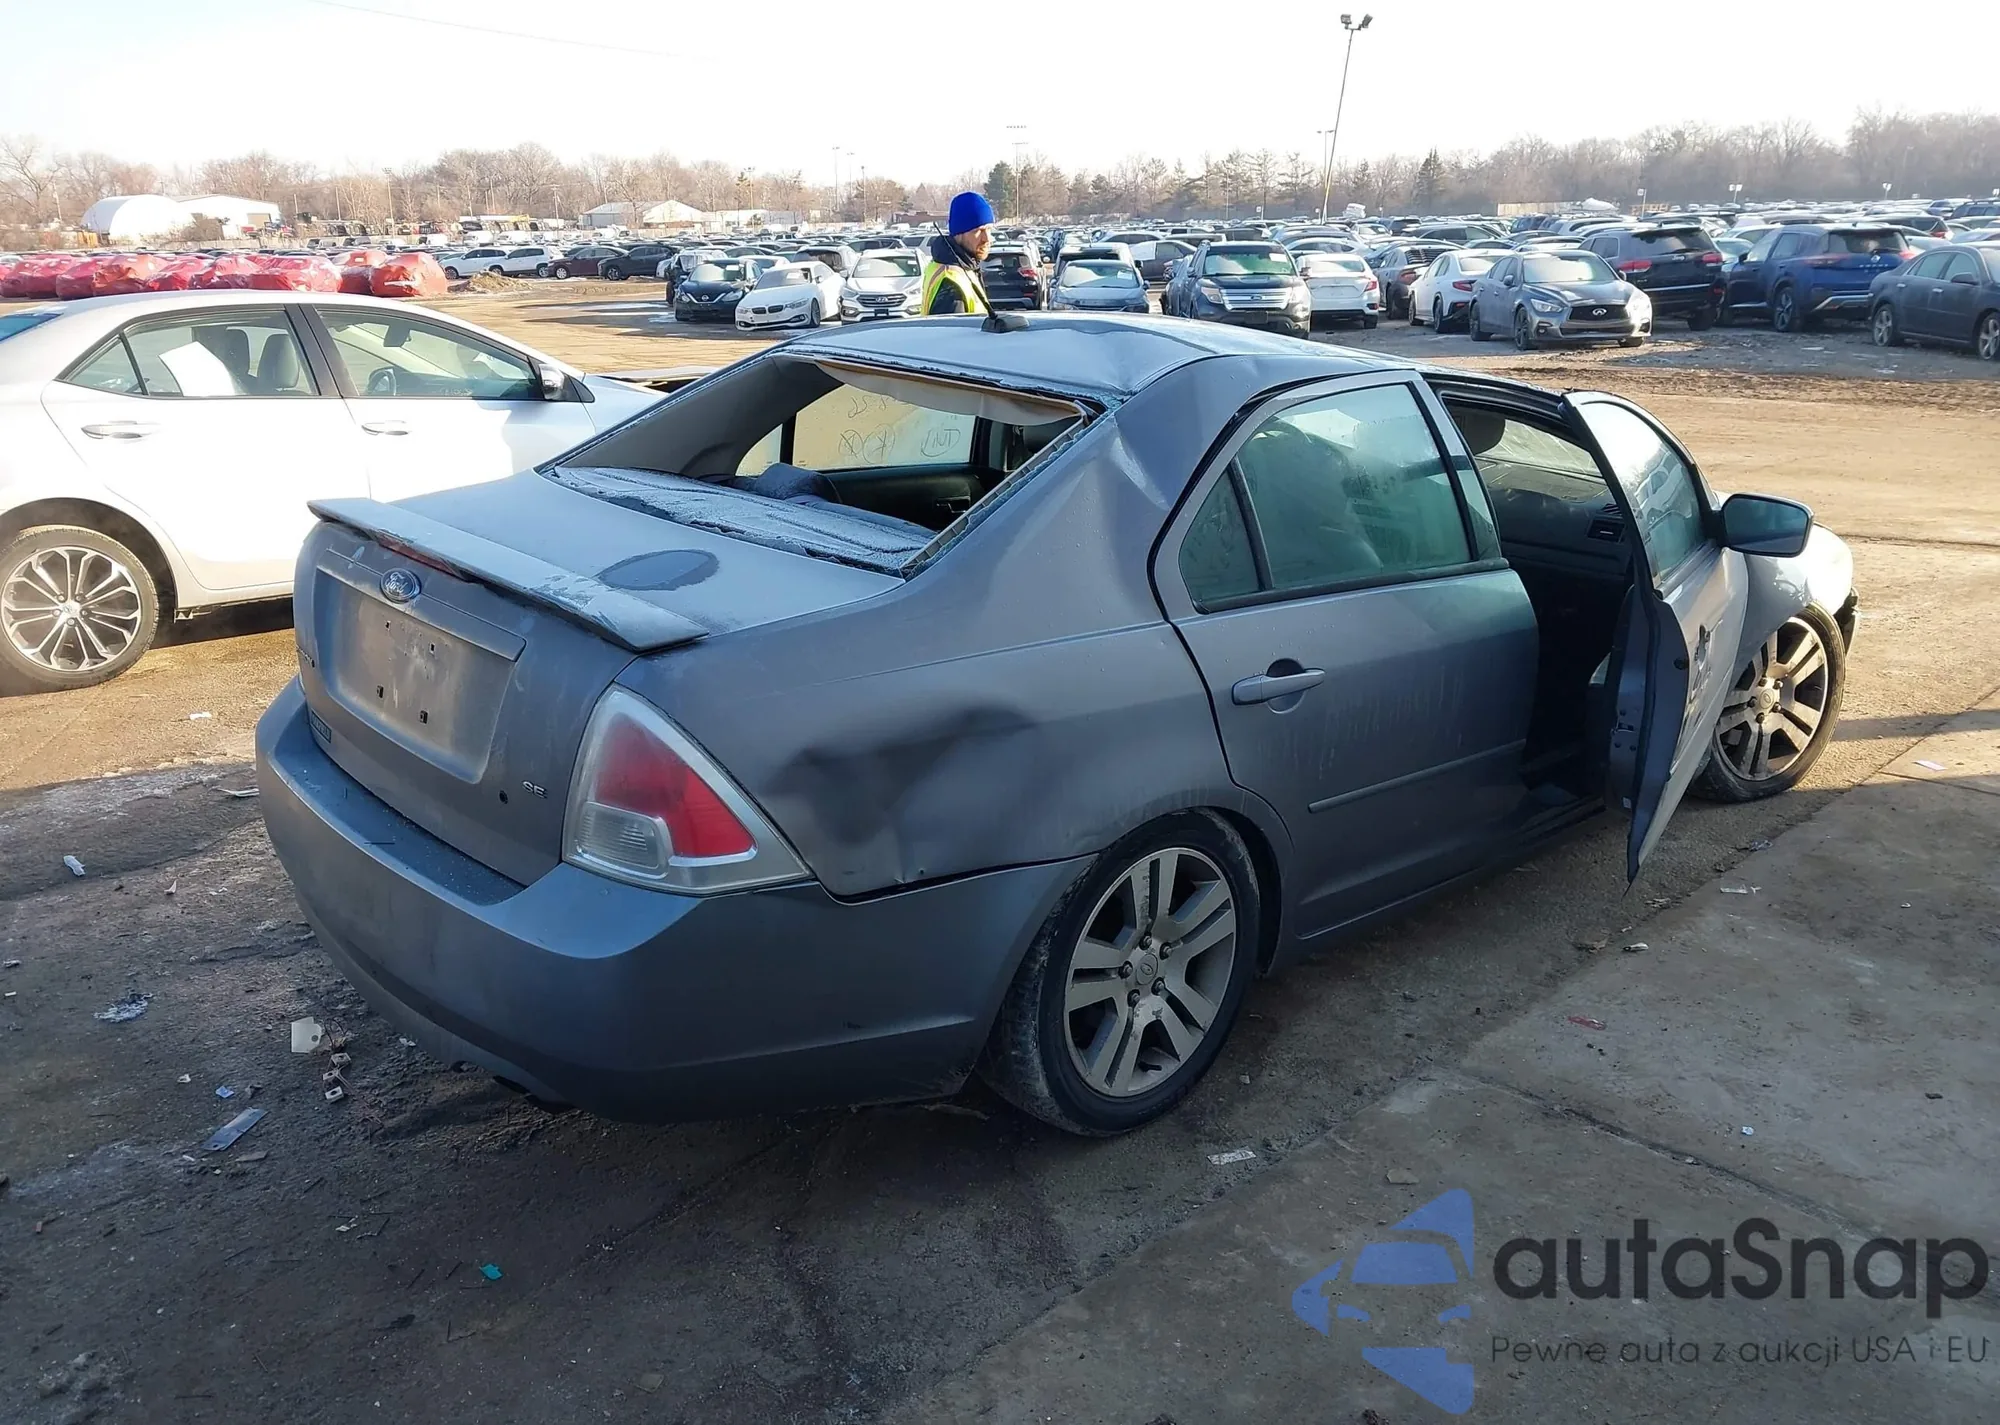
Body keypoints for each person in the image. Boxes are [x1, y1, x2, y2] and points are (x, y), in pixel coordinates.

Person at [922, 191, 996, 316]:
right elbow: (950, 328)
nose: (987, 238)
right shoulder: (951, 283)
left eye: (989, 229)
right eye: (978, 231)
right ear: (959, 234)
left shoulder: (964, 268)